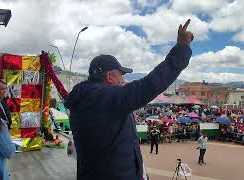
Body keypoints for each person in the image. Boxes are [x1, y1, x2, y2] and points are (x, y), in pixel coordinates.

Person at [65, 19, 193, 180]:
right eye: (121, 76)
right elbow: (151, 84)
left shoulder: (86, 99)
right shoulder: (105, 98)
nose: (123, 81)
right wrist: (182, 48)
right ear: (110, 76)